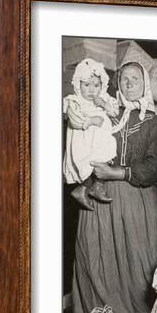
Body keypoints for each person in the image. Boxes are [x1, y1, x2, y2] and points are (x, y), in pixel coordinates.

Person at [71, 60, 157, 313]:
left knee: (138, 267)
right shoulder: (105, 113)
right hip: (99, 202)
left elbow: (154, 167)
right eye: (124, 79)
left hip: (136, 200)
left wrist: (117, 172)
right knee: (96, 263)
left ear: (145, 83)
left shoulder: (154, 121)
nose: (128, 84)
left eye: (135, 79)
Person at [63, 58, 120, 210]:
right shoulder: (75, 101)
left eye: (96, 85)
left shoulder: (105, 98)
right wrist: (91, 121)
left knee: (105, 157)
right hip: (84, 140)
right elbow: (74, 120)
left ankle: (97, 187)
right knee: (88, 163)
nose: (91, 90)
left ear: (102, 85)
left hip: (102, 139)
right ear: (78, 84)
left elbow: (115, 111)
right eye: (86, 85)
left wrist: (105, 104)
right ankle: (81, 188)